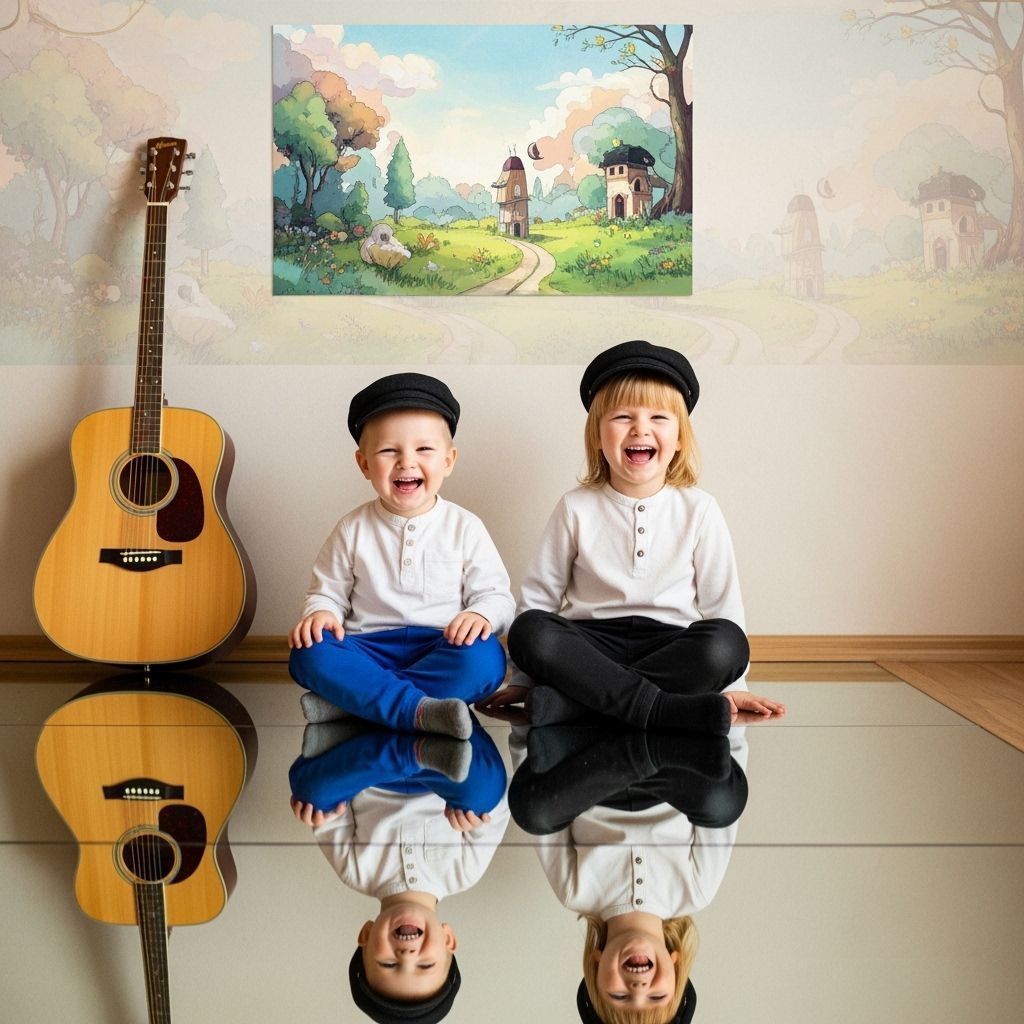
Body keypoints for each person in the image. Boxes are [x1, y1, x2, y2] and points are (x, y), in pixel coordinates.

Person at [479, 340, 785, 732]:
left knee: (727, 642)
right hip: (590, 648)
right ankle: (661, 708)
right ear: (597, 435)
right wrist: (523, 679)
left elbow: (723, 604)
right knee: (529, 631)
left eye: (658, 417)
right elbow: (540, 597)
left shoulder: (700, 509)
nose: (640, 428)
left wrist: (734, 685)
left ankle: (576, 705)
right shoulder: (575, 507)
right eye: (623, 417)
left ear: (679, 438)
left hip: (671, 645)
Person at [289, 373, 515, 739]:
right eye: (388, 451)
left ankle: (356, 702)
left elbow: (498, 597)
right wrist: (321, 614)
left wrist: (480, 614)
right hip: (368, 648)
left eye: (424, 449)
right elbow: (326, 592)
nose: (406, 462)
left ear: (448, 460)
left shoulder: (465, 526)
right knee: (309, 650)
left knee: (486, 658)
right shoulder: (352, 528)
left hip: (441, 644)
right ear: (364, 464)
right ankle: (419, 710)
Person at [289, 720, 510, 1022]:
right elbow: (498, 808)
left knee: (311, 791)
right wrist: (473, 817)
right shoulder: (464, 872)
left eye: (388, 964)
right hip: (441, 763)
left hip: (374, 770)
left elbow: (330, 814)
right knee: (483, 793)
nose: (407, 957)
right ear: (449, 940)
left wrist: (317, 811)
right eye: (425, 965)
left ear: (366, 935)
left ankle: (399, 741)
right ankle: (417, 740)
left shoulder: (355, 871)